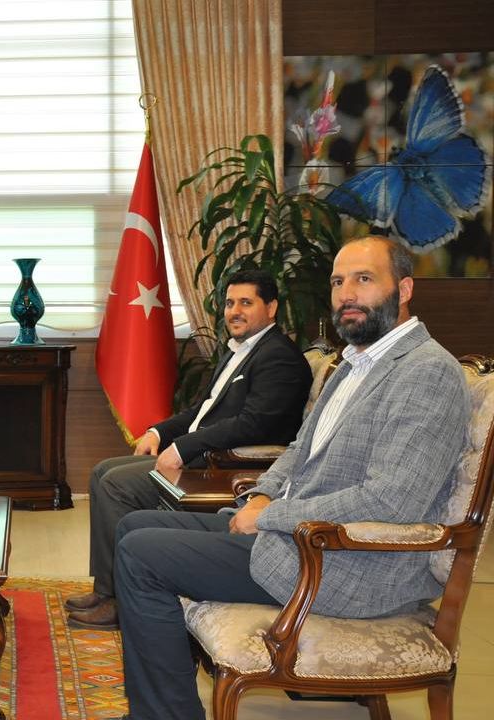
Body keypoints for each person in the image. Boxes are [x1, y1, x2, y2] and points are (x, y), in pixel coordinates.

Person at [112, 236, 469, 720]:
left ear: (403, 289)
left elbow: (392, 499)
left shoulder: (427, 372)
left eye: (364, 279)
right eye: (338, 282)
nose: (346, 294)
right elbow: (300, 450)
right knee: (134, 526)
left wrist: (270, 516)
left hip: (346, 562)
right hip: (299, 538)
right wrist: (260, 496)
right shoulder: (354, 364)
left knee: (140, 555)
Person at [67, 269, 312, 630]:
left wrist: (182, 448)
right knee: (102, 470)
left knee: (115, 483)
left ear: (271, 308)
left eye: (246, 302)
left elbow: (254, 424)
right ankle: (106, 588)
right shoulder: (238, 351)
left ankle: (121, 600)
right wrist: (158, 432)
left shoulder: (279, 357)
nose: (234, 311)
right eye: (230, 303)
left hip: (224, 466)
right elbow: (202, 410)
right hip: (203, 455)